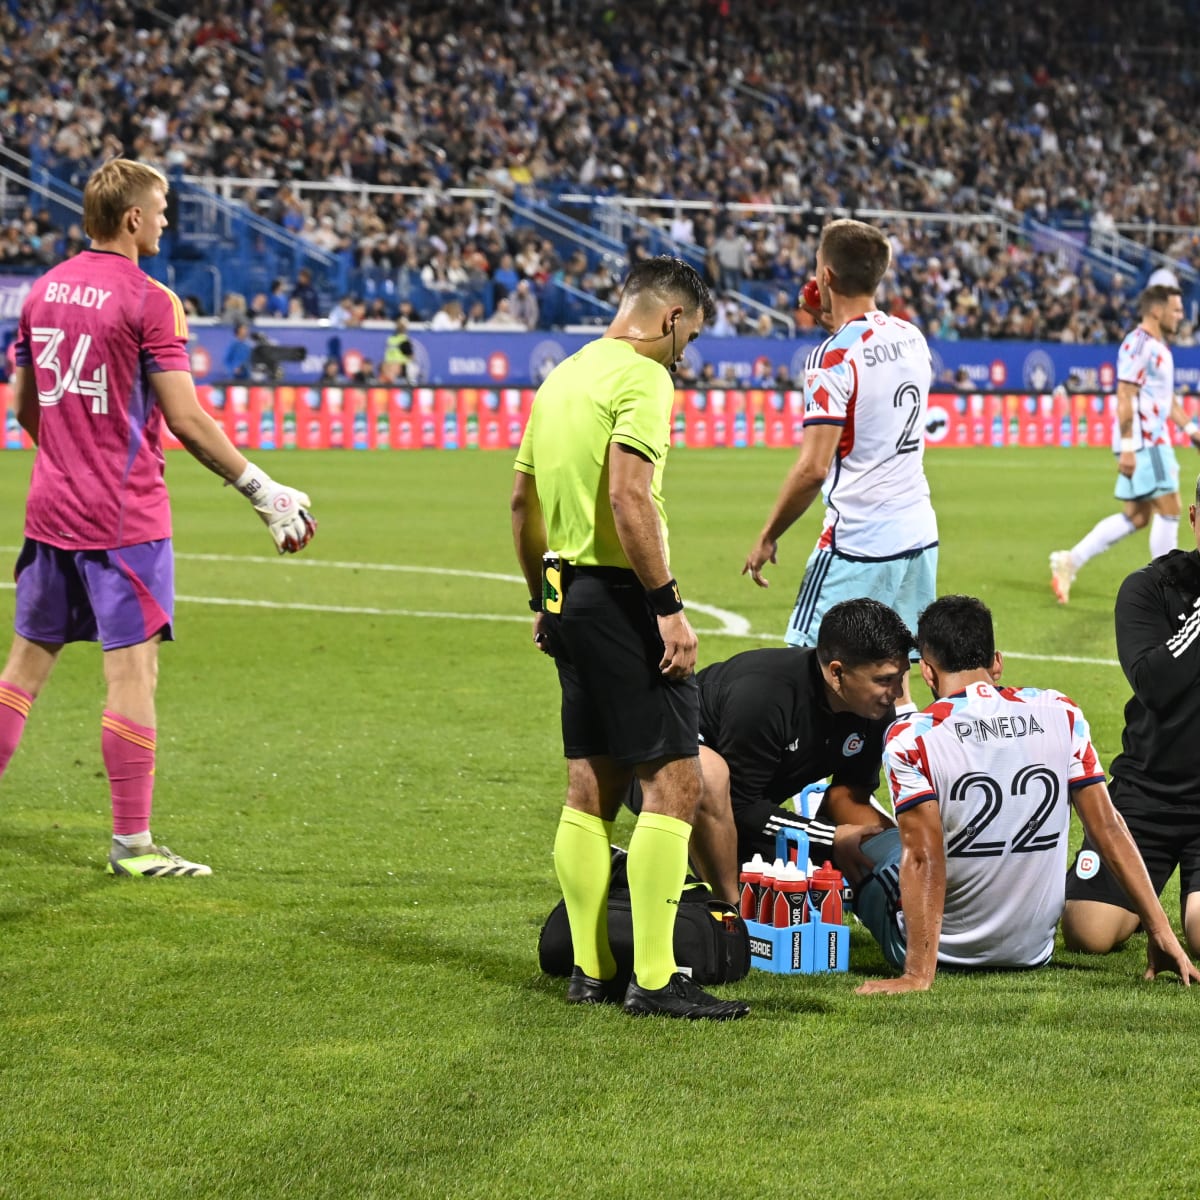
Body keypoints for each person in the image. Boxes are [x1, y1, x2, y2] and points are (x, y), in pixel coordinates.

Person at [0, 159, 318, 878]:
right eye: (163, 207)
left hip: (50, 510)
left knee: (22, 671)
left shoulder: (42, 290)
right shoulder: (150, 300)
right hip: (124, 520)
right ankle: (133, 846)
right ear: (134, 218)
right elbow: (186, 418)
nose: (168, 220)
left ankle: (133, 844)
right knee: (132, 675)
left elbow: (24, 407)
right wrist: (263, 490)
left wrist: (71, 460)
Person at [510, 255, 748, 1020]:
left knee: (590, 785)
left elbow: (523, 506)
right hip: (620, 600)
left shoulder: (562, 376)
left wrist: (545, 602)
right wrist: (667, 607)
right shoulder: (645, 379)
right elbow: (627, 494)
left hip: (569, 597)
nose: (690, 352)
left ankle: (588, 969)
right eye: (693, 336)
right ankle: (654, 977)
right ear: (672, 320)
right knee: (675, 781)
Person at [847, 595, 1198, 994]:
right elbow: (1108, 827)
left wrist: (917, 974)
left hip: (946, 953)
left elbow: (924, 855)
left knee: (850, 842)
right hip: (1032, 951)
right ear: (996, 662)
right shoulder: (1060, 712)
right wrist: (1160, 930)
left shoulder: (911, 737)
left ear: (927, 672)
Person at [743, 218, 938, 708]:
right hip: (917, 531)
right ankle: (910, 777)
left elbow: (813, 468)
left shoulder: (832, 357)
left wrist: (768, 534)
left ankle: (812, 787)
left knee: (812, 665)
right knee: (896, 672)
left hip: (860, 539)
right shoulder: (912, 337)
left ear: (825, 275)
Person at [627, 597, 911, 905]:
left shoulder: (874, 710)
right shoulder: (764, 697)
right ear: (836, 672)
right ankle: (729, 914)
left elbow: (849, 794)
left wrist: (890, 848)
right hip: (661, 773)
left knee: (796, 893)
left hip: (748, 800)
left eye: (901, 677)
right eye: (884, 680)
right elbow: (740, 806)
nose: (896, 693)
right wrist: (831, 837)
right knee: (710, 779)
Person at [1061, 478, 1200, 958]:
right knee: (1087, 933)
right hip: (1147, 795)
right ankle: (1145, 902)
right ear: (1195, 519)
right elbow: (1155, 686)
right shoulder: (1149, 588)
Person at [1050, 285, 1200, 604]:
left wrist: (1191, 429)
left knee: (1137, 516)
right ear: (1156, 310)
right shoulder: (1139, 343)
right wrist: (1130, 445)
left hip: (1150, 440)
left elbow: (1166, 399)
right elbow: (1125, 393)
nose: (1181, 315)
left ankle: (1070, 560)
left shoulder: (1159, 346)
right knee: (1172, 509)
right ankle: (1168, 593)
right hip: (1147, 441)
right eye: (1175, 309)